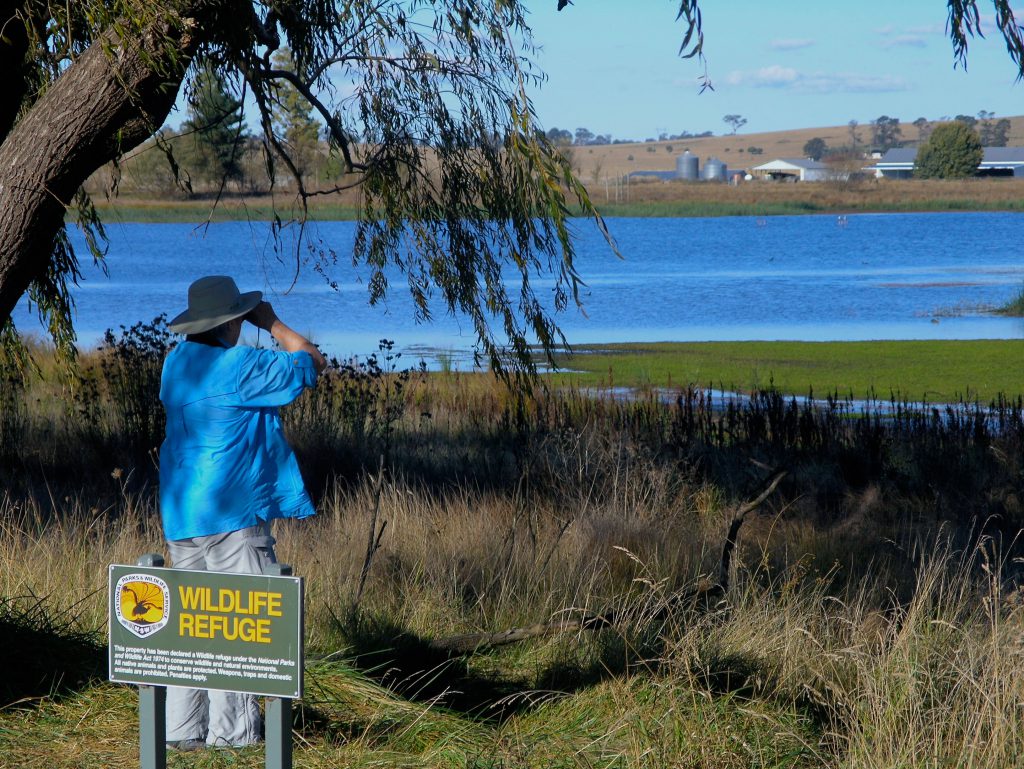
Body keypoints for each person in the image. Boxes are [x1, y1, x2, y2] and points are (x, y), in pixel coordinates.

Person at [159, 275, 326, 750]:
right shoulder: (240, 366)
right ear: (233, 322)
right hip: (231, 516)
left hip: (181, 516)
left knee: (190, 628)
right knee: (237, 627)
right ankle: (232, 739)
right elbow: (312, 363)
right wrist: (270, 321)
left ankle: (180, 733)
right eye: (240, 318)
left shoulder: (175, 364)